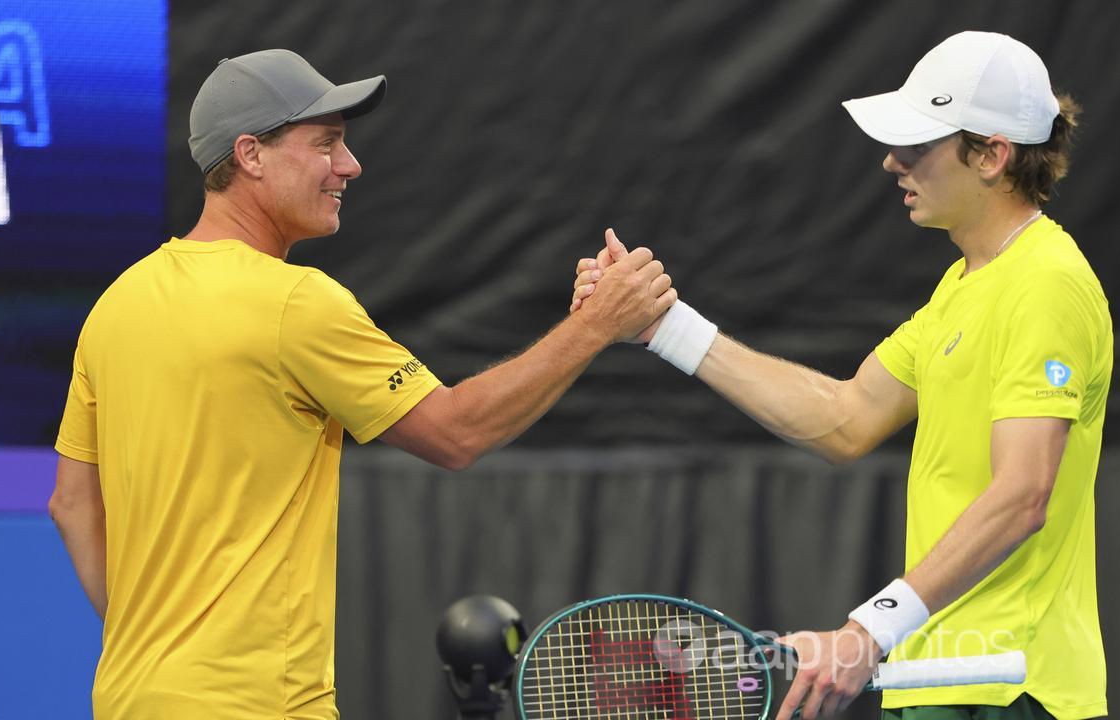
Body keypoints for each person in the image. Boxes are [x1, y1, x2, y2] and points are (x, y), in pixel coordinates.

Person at [48, 49, 675, 720]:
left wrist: (159, 647)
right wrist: (595, 327)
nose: (350, 166)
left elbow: (71, 504)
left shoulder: (118, 303)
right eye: (326, 144)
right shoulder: (295, 303)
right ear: (251, 155)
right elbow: (456, 432)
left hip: (131, 696)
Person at [572, 31, 1110, 720]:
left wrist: (868, 631)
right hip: (945, 681)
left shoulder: (1047, 283)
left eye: (917, 145)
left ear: (992, 155)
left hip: (1013, 687)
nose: (891, 162)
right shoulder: (964, 287)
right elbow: (846, 416)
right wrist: (663, 326)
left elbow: (1023, 495)